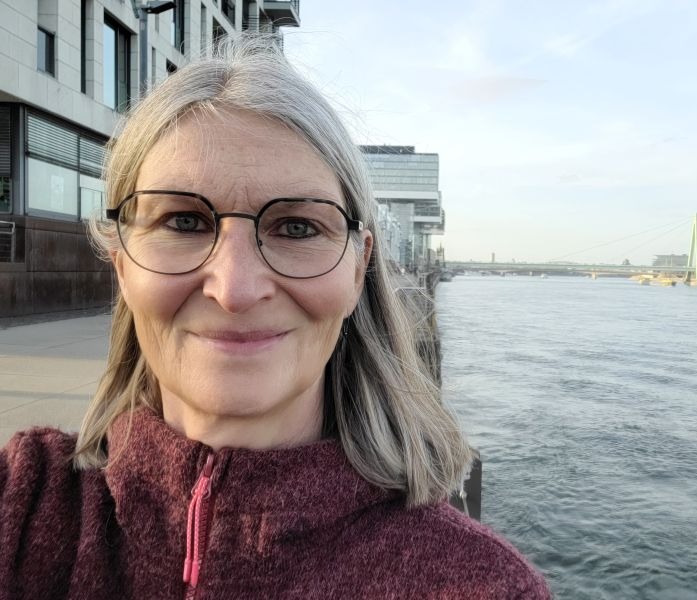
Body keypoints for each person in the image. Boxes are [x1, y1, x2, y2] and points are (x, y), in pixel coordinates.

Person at [0, 36, 550, 599]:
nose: (235, 289)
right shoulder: (21, 503)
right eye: (184, 223)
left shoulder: (477, 586)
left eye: (296, 228)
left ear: (358, 267)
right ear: (122, 264)